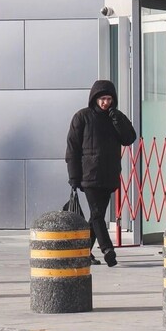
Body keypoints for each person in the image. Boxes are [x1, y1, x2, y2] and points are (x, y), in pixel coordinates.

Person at [66, 80, 137, 267]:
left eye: (109, 99)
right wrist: (74, 176)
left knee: (96, 216)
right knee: (97, 214)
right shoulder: (82, 117)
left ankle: (83, 253)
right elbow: (72, 148)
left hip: (109, 174)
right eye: (102, 99)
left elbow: (129, 138)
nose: (106, 103)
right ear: (95, 99)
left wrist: (117, 119)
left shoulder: (116, 117)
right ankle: (107, 249)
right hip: (89, 175)